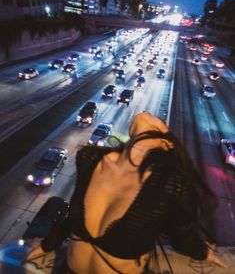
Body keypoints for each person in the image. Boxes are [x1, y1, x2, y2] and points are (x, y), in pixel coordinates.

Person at [22, 112, 226, 273]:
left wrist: (201, 251)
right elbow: (73, 214)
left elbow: (182, 234)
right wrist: (49, 244)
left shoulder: (168, 185)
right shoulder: (90, 158)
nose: (148, 112)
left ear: (167, 143)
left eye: (158, 119)